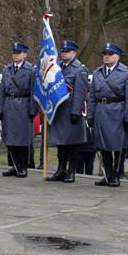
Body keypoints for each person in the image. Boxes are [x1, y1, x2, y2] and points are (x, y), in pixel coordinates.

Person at [87, 44, 128, 187]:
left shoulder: (127, 73)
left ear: (118, 56)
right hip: (101, 110)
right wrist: (90, 116)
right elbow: (92, 97)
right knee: (103, 145)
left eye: (110, 54)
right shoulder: (97, 73)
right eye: (105, 54)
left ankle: (116, 174)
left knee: (118, 145)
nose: (106, 56)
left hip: (118, 111)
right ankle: (107, 174)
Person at [45, 41, 89, 182]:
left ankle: (71, 171)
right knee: (60, 143)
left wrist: (76, 111)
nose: (64, 53)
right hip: (58, 109)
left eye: (67, 51)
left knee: (72, 143)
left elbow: (80, 92)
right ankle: (60, 169)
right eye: (63, 51)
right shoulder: (55, 66)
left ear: (74, 53)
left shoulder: (79, 69)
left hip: (70, 110)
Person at [0, 43, 38, 178]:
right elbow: (2, 91)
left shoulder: (31, 70)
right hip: (9, 104)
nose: (15, 55)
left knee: (22, 139)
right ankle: (13, 165)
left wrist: (33, 110)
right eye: (14, 53)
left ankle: (23, 166)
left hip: (23, 104)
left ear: (25, 54)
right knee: (10, 138)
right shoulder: (7, 70)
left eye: (19, 53)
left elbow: (34, 91)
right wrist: (0, 108)